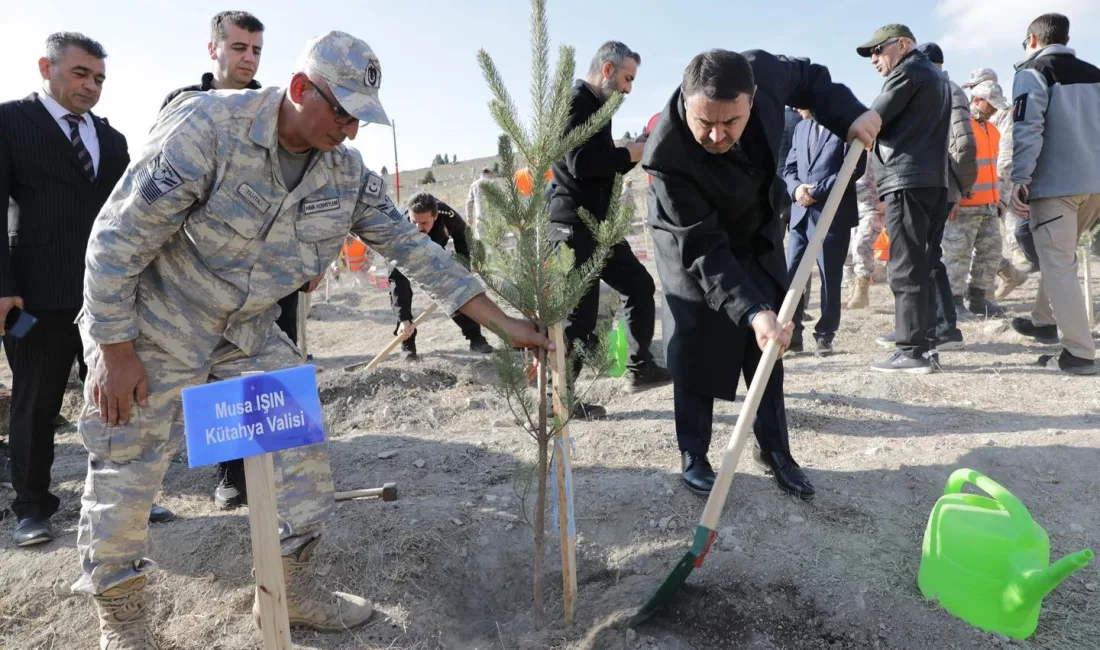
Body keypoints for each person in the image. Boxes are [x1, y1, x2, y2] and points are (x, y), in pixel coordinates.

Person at [74, 31, 550, 648]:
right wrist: (113, 350)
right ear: (300, 88)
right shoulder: (207, 127)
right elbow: (115, 239)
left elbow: (416, 253)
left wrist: (505, 324)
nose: (350, 132)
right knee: (127, 465)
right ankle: (125, 620)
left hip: (245, 331)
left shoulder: (345, 174)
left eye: (360, 119)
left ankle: (292, 587)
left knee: (299, 443)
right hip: (153, 320)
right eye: (342, 112)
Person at [643, 48, 880, 500]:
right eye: (704, 123)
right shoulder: (668, 154)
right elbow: (704, 249)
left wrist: (851, 114)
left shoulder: (765, 73)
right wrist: (750, 310)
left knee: (770, 346)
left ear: (752, 98)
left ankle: (775, 450)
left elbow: (812, 78)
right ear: (687, 104)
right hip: (692, 240)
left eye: (729, 122)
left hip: (755, 227)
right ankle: (693, 452)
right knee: (695, 336)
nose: (716, 135)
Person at [0, 32, 174, 547]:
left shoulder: (112, 140)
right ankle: (32, 506)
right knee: (36, 399)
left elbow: (131, 218)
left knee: (120, 398)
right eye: (80, 74)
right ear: (45, 68)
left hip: (106, 298)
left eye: (99, 78)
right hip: (35, 297)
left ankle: (128, 494)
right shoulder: (9, 122)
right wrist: (3, 285)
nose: (92, 86)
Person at [159, 10, 313, 511]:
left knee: (267, 371)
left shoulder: (274, 108)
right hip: (201, 275)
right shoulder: (184, 105)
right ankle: (233, 475)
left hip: (268, 275)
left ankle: (272, 474)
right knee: (213, 378)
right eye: (239, 47)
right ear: (214, 50)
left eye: (256, 50)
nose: (248, 58)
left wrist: (308, 262)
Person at [548, 40, 669, 412]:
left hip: (599, 225)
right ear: (607, 70)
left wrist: (632, 152)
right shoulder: (575, 102)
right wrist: (629, 152)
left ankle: (640, 367)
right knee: (581, 318)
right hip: (573, 224)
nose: (629, 88)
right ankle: (560, 402)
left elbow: (602, 166)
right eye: (627, 78)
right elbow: (581, 164)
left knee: (639, 285)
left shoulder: (599, 105)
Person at [857, 25, 951, 374]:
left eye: (878, 50)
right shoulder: (935, 76)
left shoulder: (908, 72)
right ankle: (922, 343)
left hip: (908, 181)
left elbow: (873, 118)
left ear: (903, 44)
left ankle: (911, 350)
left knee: (906, 264)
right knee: (923, 264)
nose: (874, 59)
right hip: (932, 182)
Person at [1009, 13, 1100, 375]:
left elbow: (1027, 127)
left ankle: (1080, 353)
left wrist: (1020, 177)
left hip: (1056, 186)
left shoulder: (1032, 73)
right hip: (1093, 187)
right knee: (1058, 257)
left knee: (1058, 262)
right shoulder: (1095, 72)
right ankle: (1044, 320)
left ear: (1033, 39)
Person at [782, 108, 867, 356]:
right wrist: (797, 190)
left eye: (801, 103)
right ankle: (792, 335)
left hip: (832, 215)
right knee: (792, 275)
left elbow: (853, 167)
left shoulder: (846, 126)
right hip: (800, 214)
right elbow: (790, 168)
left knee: (830, 278)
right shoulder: (800, 128)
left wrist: (816, 192)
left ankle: (825, 336)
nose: (796, 109)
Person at [942, 80, 1027, 315]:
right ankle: (954, 303)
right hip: (964, 207)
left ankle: (978, 299)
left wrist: (999, 198)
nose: (994, 110)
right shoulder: (959, 127)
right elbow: (949, 165)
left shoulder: (992, 130)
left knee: (989, 255)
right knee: (958, 256)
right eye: (991, 104)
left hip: (989, 205)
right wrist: (954, 198)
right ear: (976, 100)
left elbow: (995, 168)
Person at [962, 67, 1042, 284]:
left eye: (974, 88)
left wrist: (997, 184)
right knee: (983, 239)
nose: (971, 93)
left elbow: (1006, 151)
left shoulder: (1004, 113)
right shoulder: (968, 116)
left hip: (998, 179)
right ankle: (1009, 274)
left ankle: (1016, 263)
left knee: (995, 231)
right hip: (981, 184)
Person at [392, 192, 494, 359]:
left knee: (454, 289)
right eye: (414, 222)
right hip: (406, 254)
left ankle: (475, 337)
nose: (418, 228)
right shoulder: (399, 228)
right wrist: (403, 318)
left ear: (436, 216)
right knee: (403, 297)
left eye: (424, 223)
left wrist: (464, 266)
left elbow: (463, 236)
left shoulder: (448, 215)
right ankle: (407, 342)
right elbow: (397, 279)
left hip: (435, 251)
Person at [845, 158, 885, 308]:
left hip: (874, 206)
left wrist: (888, 200)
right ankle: (851, 289)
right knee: (846, 250)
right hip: (851, 206)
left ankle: (861, 290)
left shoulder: (881, 145)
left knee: (863, 243)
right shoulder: (846, 144)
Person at [465, 167, 495, 238]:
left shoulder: (474, 185)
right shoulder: (493, 183)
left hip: (480, 219)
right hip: (494, 220)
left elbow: (469, 202)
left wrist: (469, 217)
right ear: (490, 173)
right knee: (497, 244)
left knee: (482, 243)